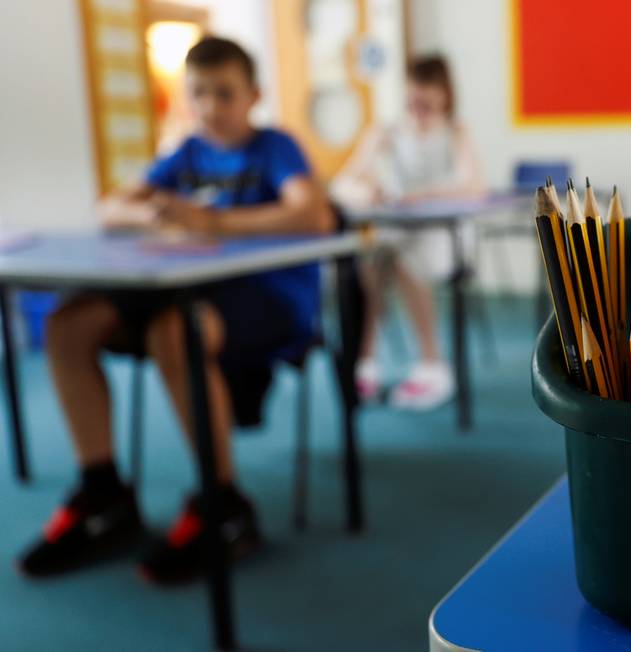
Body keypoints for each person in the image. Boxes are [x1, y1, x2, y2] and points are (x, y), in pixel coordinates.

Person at [17, 37, 334, 583]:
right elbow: (113, 206)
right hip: (187, 285)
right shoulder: (185, 153)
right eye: (200, 93)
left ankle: (224, 506)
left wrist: (215, 223)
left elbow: (313, 215)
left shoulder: (275, 147)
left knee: (176, 331)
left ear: (253, 95)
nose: (211, 106)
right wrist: (158, 213)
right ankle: (103, 497)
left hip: (271, 295)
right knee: (67, 324)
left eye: (225, 93)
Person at [331, 55, 484, 410]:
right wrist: (365, 191)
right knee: (370, 260)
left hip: (447, 236)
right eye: (412, 102)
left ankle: (433, 364)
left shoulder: (456, 131)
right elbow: (344, 183)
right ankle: (365, 361)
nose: (418, 111)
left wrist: (421, 194)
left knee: (402, 257)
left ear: (444, 96)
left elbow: (473, 186)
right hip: (398, 232)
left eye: (426, 104)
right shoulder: (387, 131)